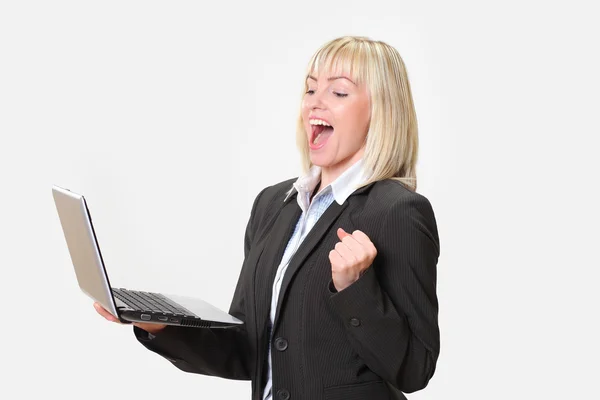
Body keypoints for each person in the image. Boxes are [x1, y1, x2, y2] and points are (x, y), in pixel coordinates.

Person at [94, 35, 440, 400]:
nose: (314, 104)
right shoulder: (274, 204)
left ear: (381, 112)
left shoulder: (397, 211)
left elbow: (414, 369)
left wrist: (354, 289)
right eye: (310, 90)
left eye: (338, 93)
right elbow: (249, 349)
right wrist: (159, 324)